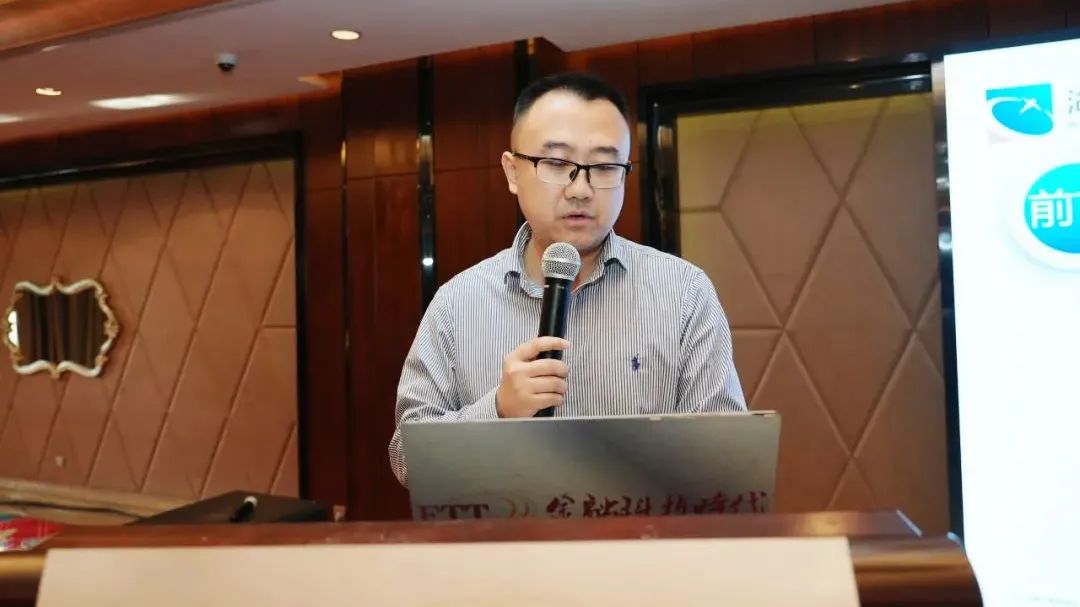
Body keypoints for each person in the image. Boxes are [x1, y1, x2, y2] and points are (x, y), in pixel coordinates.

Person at [389, 72, 745, 486]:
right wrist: (497, 411)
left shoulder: (683, 293)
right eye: (557, 164)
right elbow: (407, 461)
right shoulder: (457, 304)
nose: (581, 189)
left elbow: (726, 457)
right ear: (512, 172)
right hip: (508, 529)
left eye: (604, 166)